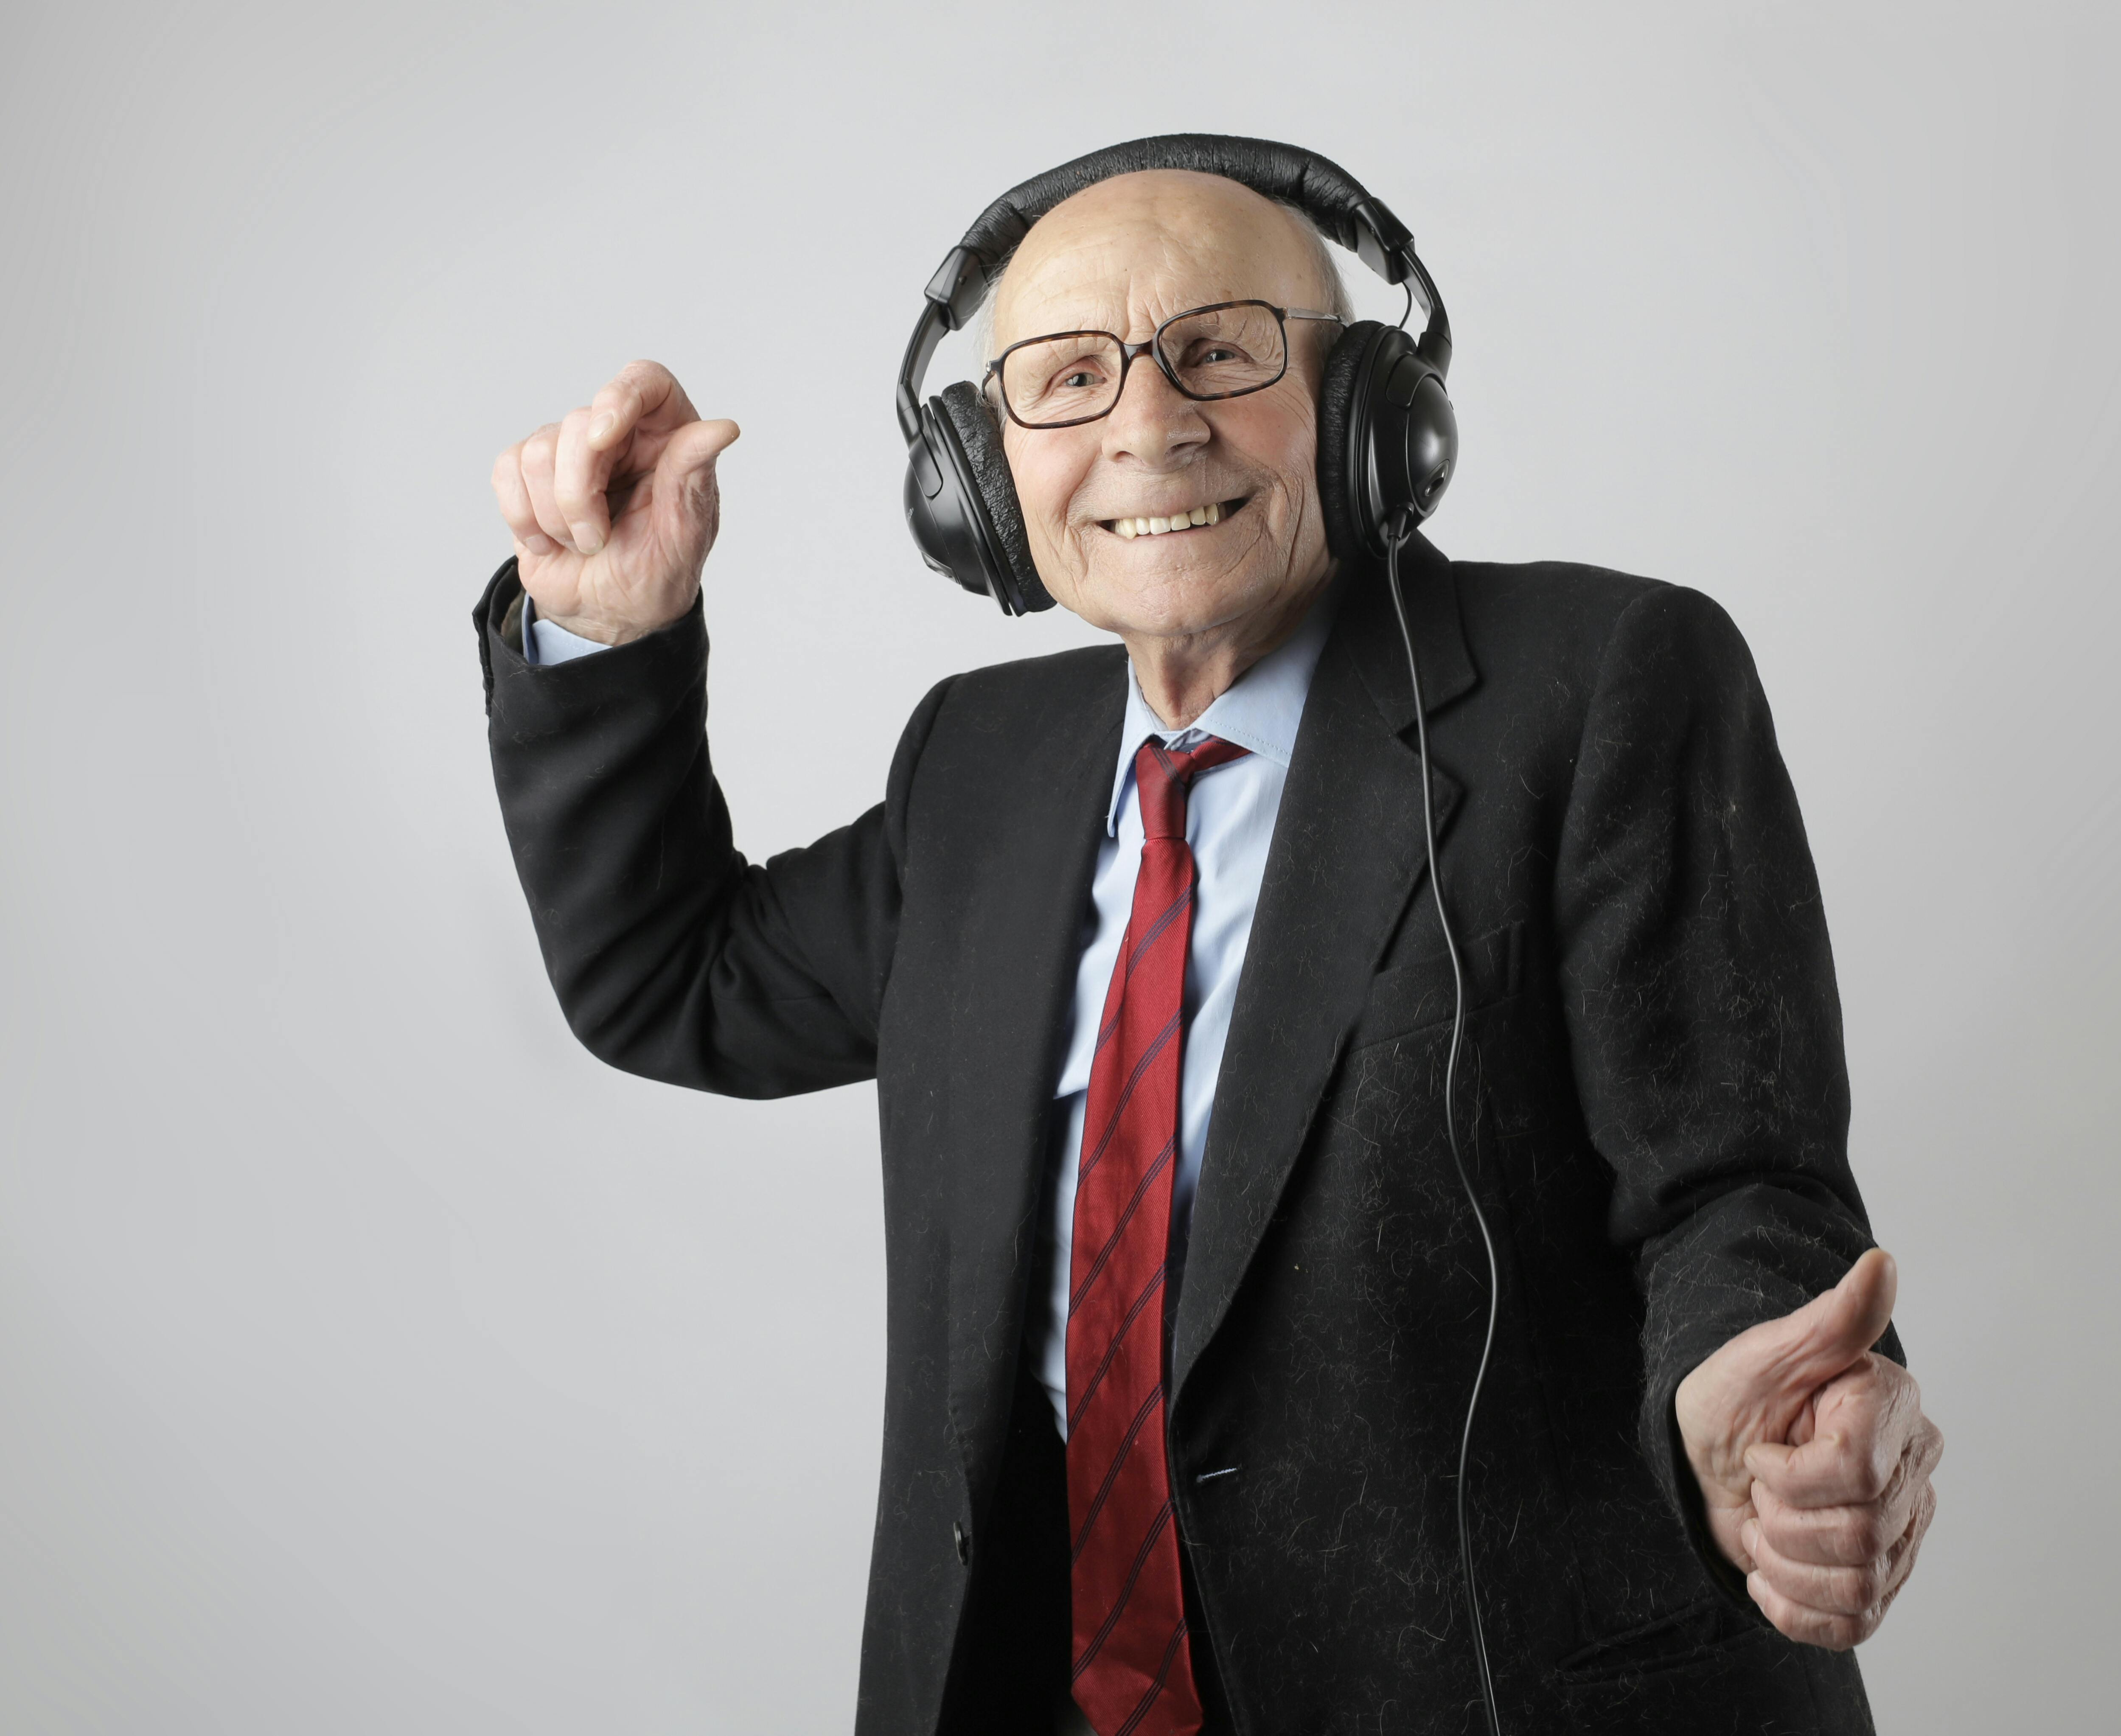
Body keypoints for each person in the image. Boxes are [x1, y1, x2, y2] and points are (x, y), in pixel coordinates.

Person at [477, 138, 1942, 1736]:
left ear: (1371, 410)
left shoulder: (1598, 686)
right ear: (974, 465)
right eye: (1066, 376)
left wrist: (1742, 1390)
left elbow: (1732, 1176)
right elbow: (674, 981)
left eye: (1222, 351)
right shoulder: (977, 761)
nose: (1147, 425)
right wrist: (609, 634)